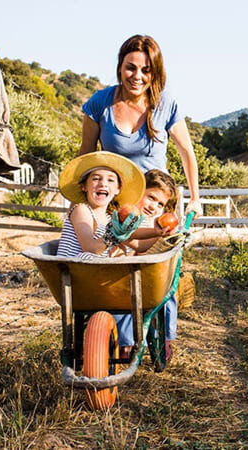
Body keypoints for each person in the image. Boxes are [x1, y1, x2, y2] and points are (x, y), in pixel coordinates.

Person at [79, 34, 202, 362]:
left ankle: (164, 333)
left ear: (155, 72)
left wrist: (195, 197)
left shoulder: (165, 104)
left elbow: (187, 153)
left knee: (162, 270)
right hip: (119, 207)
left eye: (146, 70)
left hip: (156, 205)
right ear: (120, 67)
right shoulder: (99, 104)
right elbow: (86, 155)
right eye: (130, 67)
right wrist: (81, 203)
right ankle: (118, 334)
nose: (137, 76)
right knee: (117, 267)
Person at [112, 169, 179, 359]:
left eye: (160, 204)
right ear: (138, 190)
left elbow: (144, 247)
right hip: (120, 272)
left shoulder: (154, 223)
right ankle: (124, 342)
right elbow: (131, 241)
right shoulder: (127, 214)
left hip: (141, 274)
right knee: (123, 296)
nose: (154, 206)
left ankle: (165, 337)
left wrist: (165, 236)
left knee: (166, 289)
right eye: (151, 197)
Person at [55, 152, 145, 259]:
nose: (103, 184)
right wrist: (113, 235)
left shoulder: (110, 219)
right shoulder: (81, 210)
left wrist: (161, 232)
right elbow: (90, 249)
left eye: (110, 180)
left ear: (118, 189)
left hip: (94, 272)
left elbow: (140, 245)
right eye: (96, 178)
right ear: (84, 186)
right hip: (72, 269)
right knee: (86, 257)